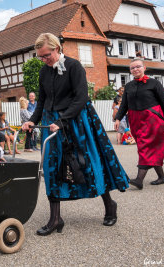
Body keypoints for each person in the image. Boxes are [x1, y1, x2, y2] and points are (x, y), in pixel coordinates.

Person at [22, 33, 129, 236]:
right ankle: (55, 219)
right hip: (52, 122)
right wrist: (32, 121)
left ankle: (109, 205)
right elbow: (42, 102)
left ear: (57, 49)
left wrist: (62, 121)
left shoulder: (74, 66)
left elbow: (81, 98)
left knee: (88, 164)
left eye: (46, 55)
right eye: (40, 57)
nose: (44, 60)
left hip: (77, 121)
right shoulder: (44, 72)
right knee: (51, 167)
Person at [115, 58, 164, 189]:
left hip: (152, 119)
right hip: (135, 120)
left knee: (145, 147)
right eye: (132, 68)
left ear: (144, 67)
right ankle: (162, 177)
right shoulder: (129, 86)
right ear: (130, 71)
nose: (135, 69)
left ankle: (139, 179)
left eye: (138, 66)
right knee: (147, 147)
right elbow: (124, 105)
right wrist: (118, 119)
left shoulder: (154, 83)